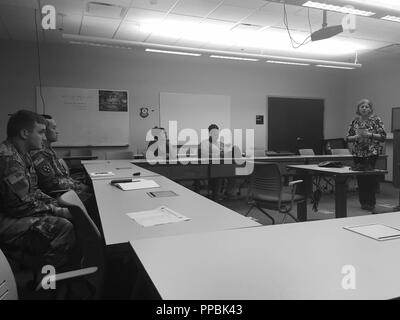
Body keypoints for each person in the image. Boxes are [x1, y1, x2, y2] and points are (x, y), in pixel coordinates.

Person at [0, 110, 76, 269]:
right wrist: (57, 210)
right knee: (64, 226)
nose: (44, 136)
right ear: (24, 133)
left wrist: (55, 204)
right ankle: (49, 276)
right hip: (6, 219)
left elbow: (33, 190)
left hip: (15, 210)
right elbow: (18, 207)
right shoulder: (9, 160)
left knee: (70, 213)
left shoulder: (23, 154)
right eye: (41, 132)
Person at [31, 115, 93, 204]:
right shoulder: (39, 154)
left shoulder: (49, 150)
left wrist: (78, 185)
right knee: (95, 198)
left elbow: (62, 176)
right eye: (54, 128)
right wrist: (79, 186)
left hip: (66, 188)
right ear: (44, 132)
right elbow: (52, 184)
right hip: (60, 194)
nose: (57, 132)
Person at [345, 99, 386, 212]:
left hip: (371, 152)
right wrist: (356, 137)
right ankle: (363, 202)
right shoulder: (355, 121)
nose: (364, 108)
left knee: (369, 177)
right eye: (362, 106)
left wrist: (369, 135)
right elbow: (347, 138)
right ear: (358, 109)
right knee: (361, 178)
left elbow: (383, 136)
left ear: (370, 109)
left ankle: (371, 202)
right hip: (358, 153)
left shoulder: (376, 120)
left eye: (366, 106)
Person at [200, 124, 240, 200]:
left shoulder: (220, 144)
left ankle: (229, 193)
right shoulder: (204, 143)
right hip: (209, 166)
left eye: (217, 134)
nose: (216, 136)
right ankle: (216, 194)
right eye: (214, 134)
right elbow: (204, 155)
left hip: (222, 165)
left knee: (233, 172)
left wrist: (228, 152)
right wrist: (219, 154)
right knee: (219, 174)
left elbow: (226, 152)